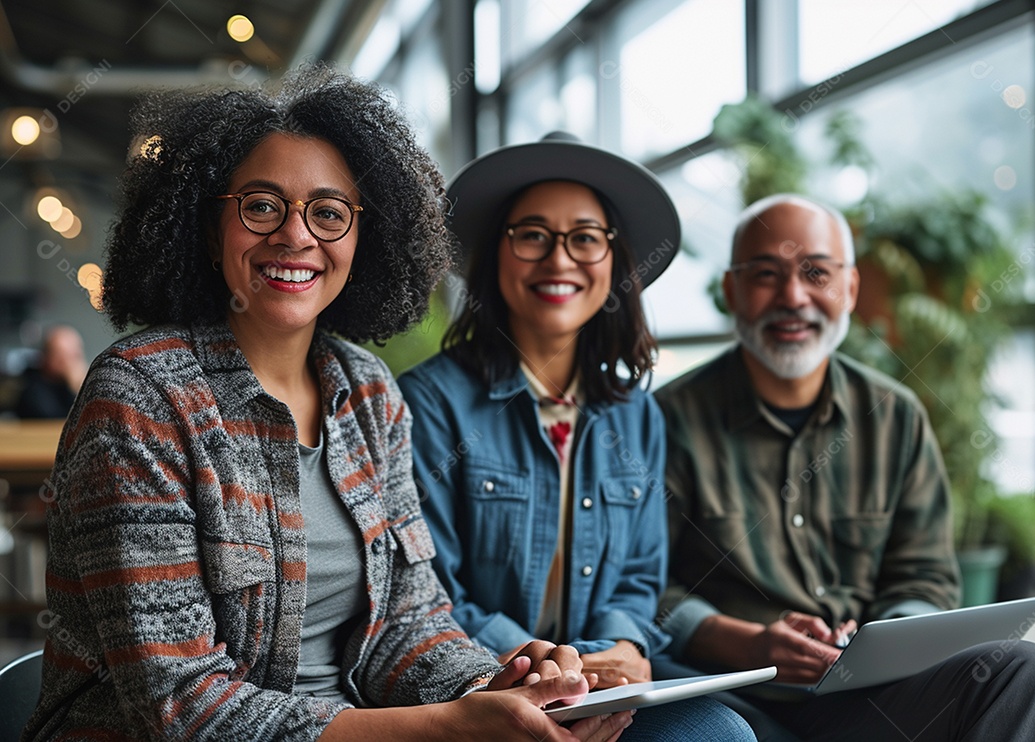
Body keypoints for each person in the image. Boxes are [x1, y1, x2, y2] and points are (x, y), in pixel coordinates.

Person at [24, 69, 633, 742]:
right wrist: (448, 726)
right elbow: (180, 708)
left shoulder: (368, 392)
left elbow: (407, 623)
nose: (295, 236)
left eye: (329, 212)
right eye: (261, 206)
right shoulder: (140, 397)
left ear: (362, 239)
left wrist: (504, 684)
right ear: (207, 225)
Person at [655, 193, 1035, 741]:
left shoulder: (895, 417)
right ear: (732, 290)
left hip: (864, 697)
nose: (793, 296)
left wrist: (882, 640)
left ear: (850, 289)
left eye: (817, 273)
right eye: (765, 274)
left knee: (1025, 670)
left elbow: (923, 576)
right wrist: (747, 642)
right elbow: (638, 589)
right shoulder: (665, 421)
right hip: (731, 694)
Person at [398, 132, 755, 740]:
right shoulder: (429, 404)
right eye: (532, 235)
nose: (559, 260)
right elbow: (429, 593)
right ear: (495, 256)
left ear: (615, 263)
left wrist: (622, 645)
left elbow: (642, 575)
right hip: (486, 681)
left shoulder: (635, 413)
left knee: (722, 733)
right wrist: (553, 668)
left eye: (585, 238)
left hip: (604, 682)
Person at [15, 325, 87, 418]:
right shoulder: (33, 390)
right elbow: (57, 422)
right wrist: (77, 389)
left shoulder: (91, 383)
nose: (69, 363)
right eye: (61, 355)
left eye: (75, 355)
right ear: (46, 357)